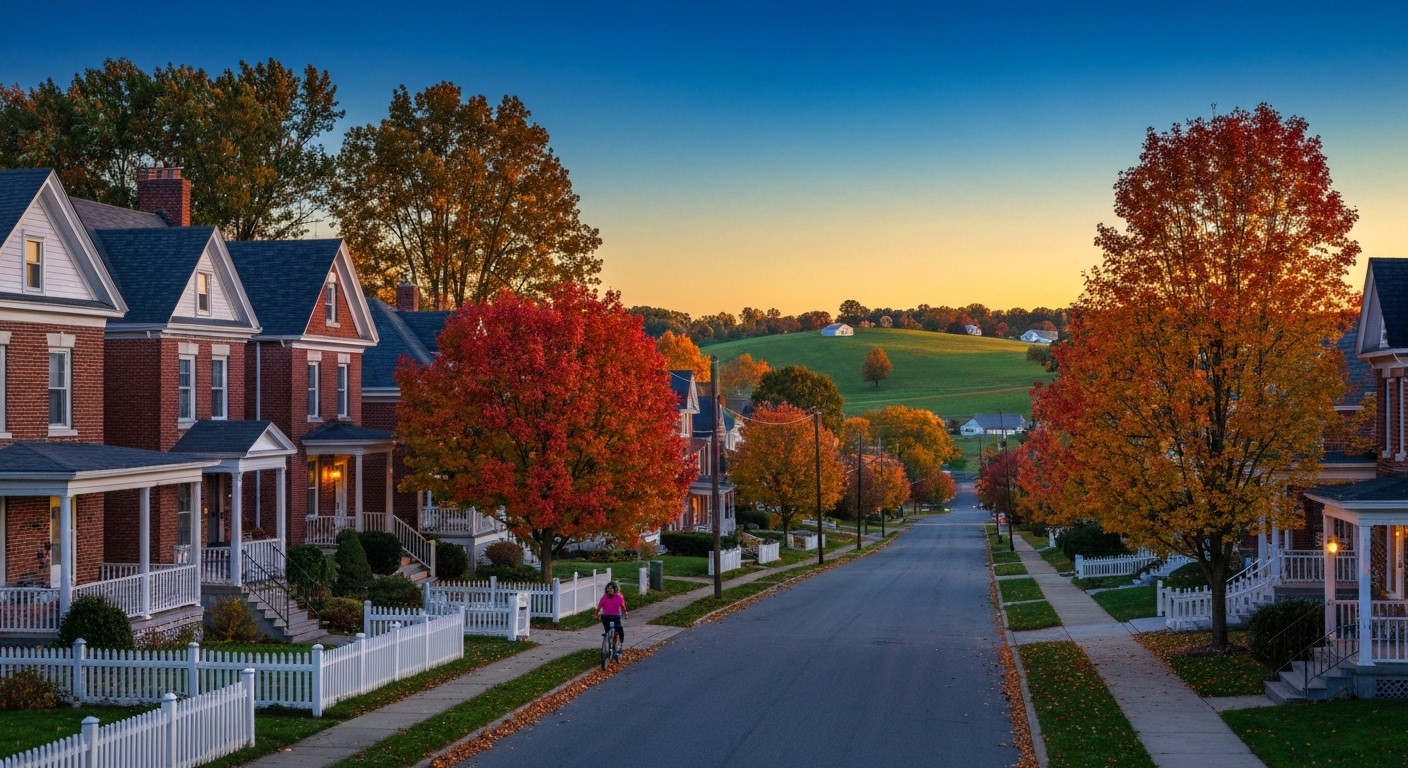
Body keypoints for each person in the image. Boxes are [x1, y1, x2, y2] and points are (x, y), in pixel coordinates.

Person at [596, 581, 627, 660]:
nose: (609, 590)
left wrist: (596, 613)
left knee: (608, 630)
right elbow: (623, 606)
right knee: (619, 630)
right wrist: (625, 613)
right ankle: (619, 645)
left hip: (605, 617)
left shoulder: (604, 597)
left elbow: (600, 605)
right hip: (615, 617)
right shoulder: (619, 597)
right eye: (608, 588)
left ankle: (607, 634)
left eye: (610, 588)